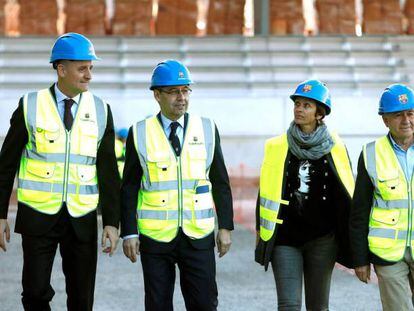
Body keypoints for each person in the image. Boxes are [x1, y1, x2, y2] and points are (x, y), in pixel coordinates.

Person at [0, 32, 120, 311]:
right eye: (82, 68)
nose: (89, 75)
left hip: (82, 218)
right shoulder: (30, 105)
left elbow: (109, 172)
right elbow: (5, 166)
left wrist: (112, 223)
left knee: (81, 298)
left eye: (91, 67)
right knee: (35, 293)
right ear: (61, 69)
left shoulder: (101, 110)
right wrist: (0, 214)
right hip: (37, 216)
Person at [121, 59, 233, 311]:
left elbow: (220, 181)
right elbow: (128, 187)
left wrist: (225, 226)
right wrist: (129, 231)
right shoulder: (139, 132)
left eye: (185, 90)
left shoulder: (206, 128)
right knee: (158, 305)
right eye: (173, 91)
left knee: (204, 304)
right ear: (157, 95)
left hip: (198, 234)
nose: (181, 97)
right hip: (155, 236)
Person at [255, 79, 355, 310]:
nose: (299, 109)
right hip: (285, 239)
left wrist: (353, 242)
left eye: (306, 105)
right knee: (288, 305)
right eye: (297, 104)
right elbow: (266, 190)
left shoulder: (336, 147)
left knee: (318, 307)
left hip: (323, 240)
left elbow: (346, 195)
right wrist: (261, 231)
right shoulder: (277, 146)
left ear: (319, 114)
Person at [350, 84, 414, 311]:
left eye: (410, 113)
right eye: (398, 115)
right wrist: (359, 259)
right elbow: (359, 211)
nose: (406, 120)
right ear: (385, 120)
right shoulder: (371, 154)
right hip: (388, 254)